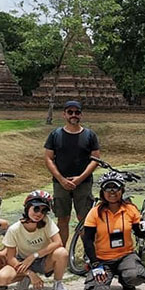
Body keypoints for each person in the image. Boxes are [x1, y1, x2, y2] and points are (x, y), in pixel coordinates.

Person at [81, 172, 145, 290]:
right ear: (102, 191)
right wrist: (95, 264)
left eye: (116, 188)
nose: (112, 192)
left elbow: (140, 234)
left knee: (137, 276)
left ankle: (125, 280)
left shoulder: (130, 209)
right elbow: (88, 240)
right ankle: (106, 281)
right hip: (102, 260)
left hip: (126, 255)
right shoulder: (95, 212)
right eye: (108, 188)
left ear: (122, 190)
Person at [44, 100, 100, 244]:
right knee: (62, 219)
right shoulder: (55, 135)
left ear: (81, 115)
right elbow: (49, 158)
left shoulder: (89, 135)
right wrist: (61, 179)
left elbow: (95, 160)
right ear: (64, 115)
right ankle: (61, 253)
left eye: (77, 112)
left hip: (83, 183)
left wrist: (79, 179)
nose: (73, 115)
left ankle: (88, 253)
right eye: (70, 112)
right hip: (60, 183)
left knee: (84, 219)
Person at [0, 191, 69, 290]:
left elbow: (58, 243)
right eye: (36, 208)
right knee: (1, 278)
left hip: (42, 260)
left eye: (44, 210)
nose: (39, 213)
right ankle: (25, 278)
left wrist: (34, 256)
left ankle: (58, 283)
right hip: (23, 262)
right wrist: (29, 273)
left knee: (62, 252)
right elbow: (10, 258)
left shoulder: (46, 221)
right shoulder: (14, 229)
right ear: (27, 207)